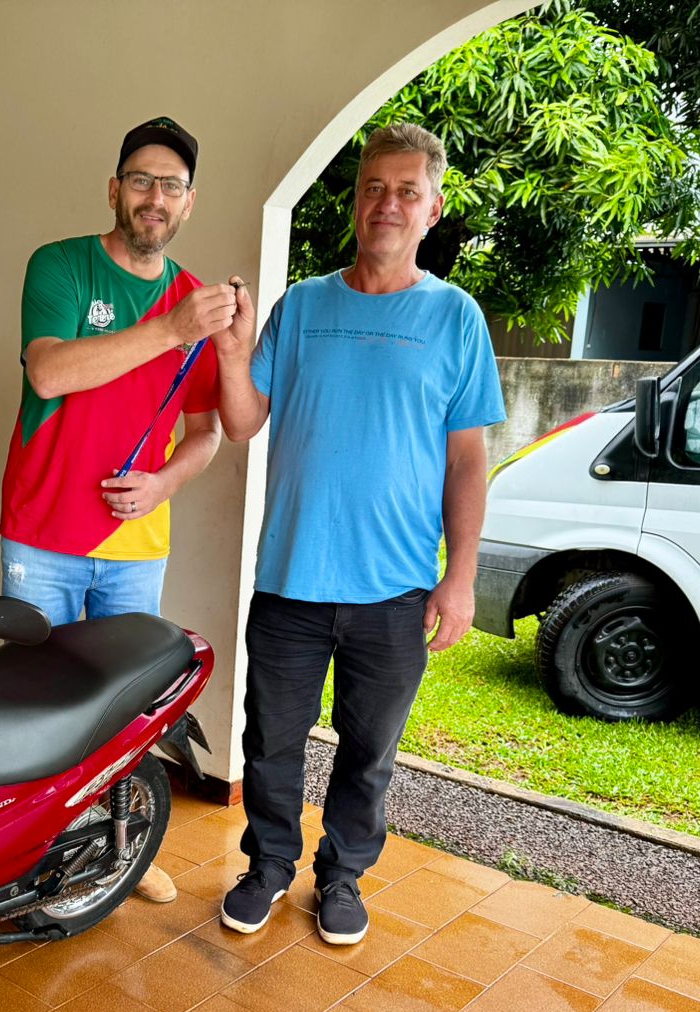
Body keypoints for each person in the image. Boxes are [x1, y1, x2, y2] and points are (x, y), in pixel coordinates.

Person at [212, 123, 505, 943]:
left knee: (368, 752)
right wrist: (233, 353)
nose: (388, 204)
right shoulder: (303, 306)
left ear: (433, 209)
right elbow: (242, 422)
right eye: (375, 187)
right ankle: (268, 867)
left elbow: (467, 462)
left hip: (396, 588)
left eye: (408, 191)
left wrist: (460, 576)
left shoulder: (456, 317)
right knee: (270, 742)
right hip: (291, 579)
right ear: (356, 201)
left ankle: (341, 877)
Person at [0, 116, 233, 904]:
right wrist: (168, 330)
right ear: (115, 190)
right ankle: (28, 848)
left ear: (188, 203)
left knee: (124, 705)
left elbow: (208, 434)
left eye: (171, 185)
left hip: (136, 544)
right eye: (141, 180)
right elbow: (49, 373)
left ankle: (117, 841)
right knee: (37, 699)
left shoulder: (196, 302)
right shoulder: (61, 266)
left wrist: (165, 484)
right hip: (43, 533)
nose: (154, 197)